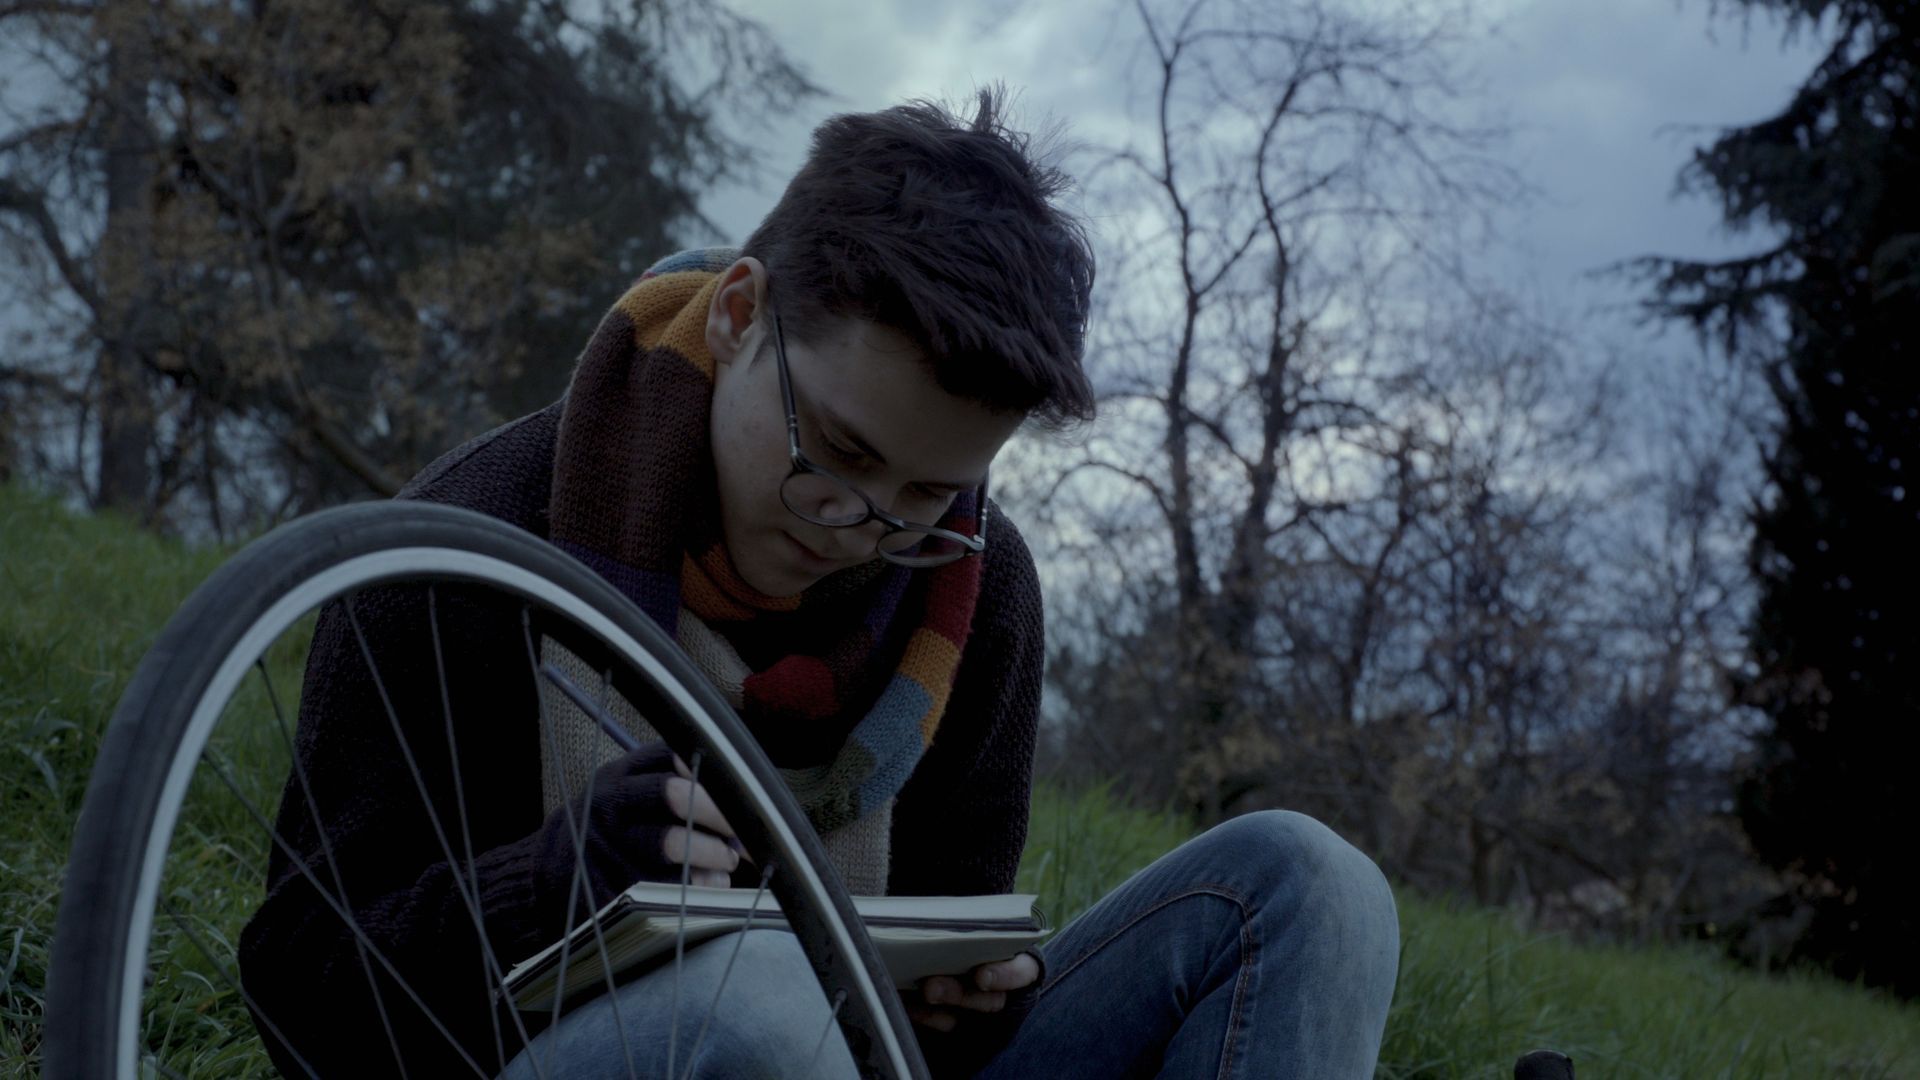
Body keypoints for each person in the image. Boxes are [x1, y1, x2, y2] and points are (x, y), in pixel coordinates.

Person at [237, 88, 1400, 1079]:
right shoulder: (471, 539)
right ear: (740, 316)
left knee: (1308, 884)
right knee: (754, 997)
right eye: (837, 453)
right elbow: (298, 992)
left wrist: (964, 1004)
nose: (861, 529)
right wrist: (552, 882)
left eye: (928, 491)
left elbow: (936, 974)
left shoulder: (976, 591)